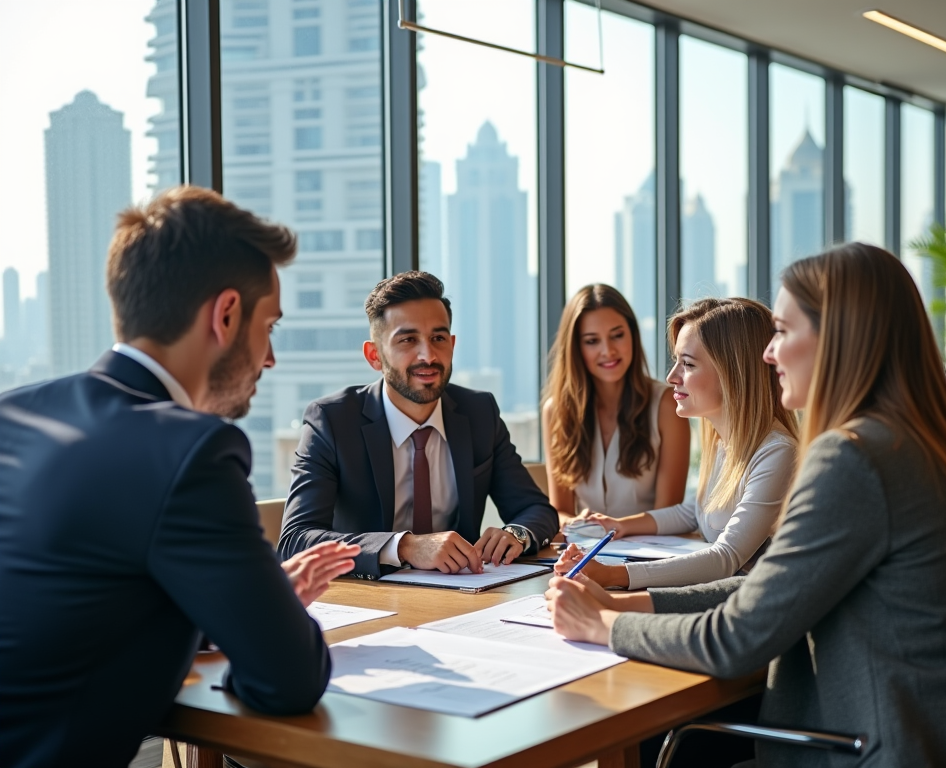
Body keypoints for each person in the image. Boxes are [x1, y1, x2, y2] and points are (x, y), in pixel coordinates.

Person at [546, 243, 946, 767]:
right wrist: (622, 603)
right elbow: (765, 588)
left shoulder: (854, 460)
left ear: (840, 341)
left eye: (782, 332)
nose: (768, 354)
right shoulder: (930, 446)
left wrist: (603, 627)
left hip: (881, 750)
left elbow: (738, 638)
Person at [0, 186, 360, 768]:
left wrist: (241, 602)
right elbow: (287, 680)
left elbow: (69, 600)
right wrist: (272, 619)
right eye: (269, 327)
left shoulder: (13, 412)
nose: (270, 359)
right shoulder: (192, 451)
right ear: (225, 315)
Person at [278, 271, 559, 579]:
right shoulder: (331, 421)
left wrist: (516, 534)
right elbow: (296, 541)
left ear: (451, 344)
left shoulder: (479, 412)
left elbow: (537, 510)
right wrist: (405, 547)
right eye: (408, 340)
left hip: (464, 597)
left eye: (438, 338)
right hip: (369, 600)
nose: (428, 355)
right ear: (375, 355)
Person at [557, 297, 798, 590]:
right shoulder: (725, 443)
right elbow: (690, 512)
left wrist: (613, 575)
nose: (672, 377)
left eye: (687, 364)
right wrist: (621, 525)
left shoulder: (778, 453)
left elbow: (726, 558)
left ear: (732, 372)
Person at [541, 284, 690, 523]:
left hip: (648, 554)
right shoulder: (556, 411)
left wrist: (616, 529)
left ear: (632, 335)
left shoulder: (666, 406)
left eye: (617, 335)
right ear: (576, 348)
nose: (607, 351)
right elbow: (559, 511)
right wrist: (579, 524)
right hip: (583, 549)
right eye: (592, 341)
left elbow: (666, 516)